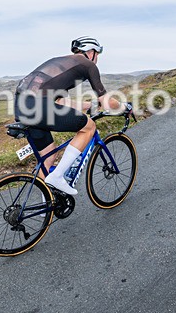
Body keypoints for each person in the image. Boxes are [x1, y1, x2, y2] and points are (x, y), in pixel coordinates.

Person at [14, 36, 131, 196]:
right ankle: (57, 177)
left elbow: (62, 103)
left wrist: (89, 105)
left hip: (21, 106)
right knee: (88, 127)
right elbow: (106, 100)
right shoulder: (88, 64)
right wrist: (124, 107)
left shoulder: (61, 64)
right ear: (91, 52)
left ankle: (46, 203)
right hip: (38, 105)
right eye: (98, 54)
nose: (97, 59)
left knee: (49, 155)